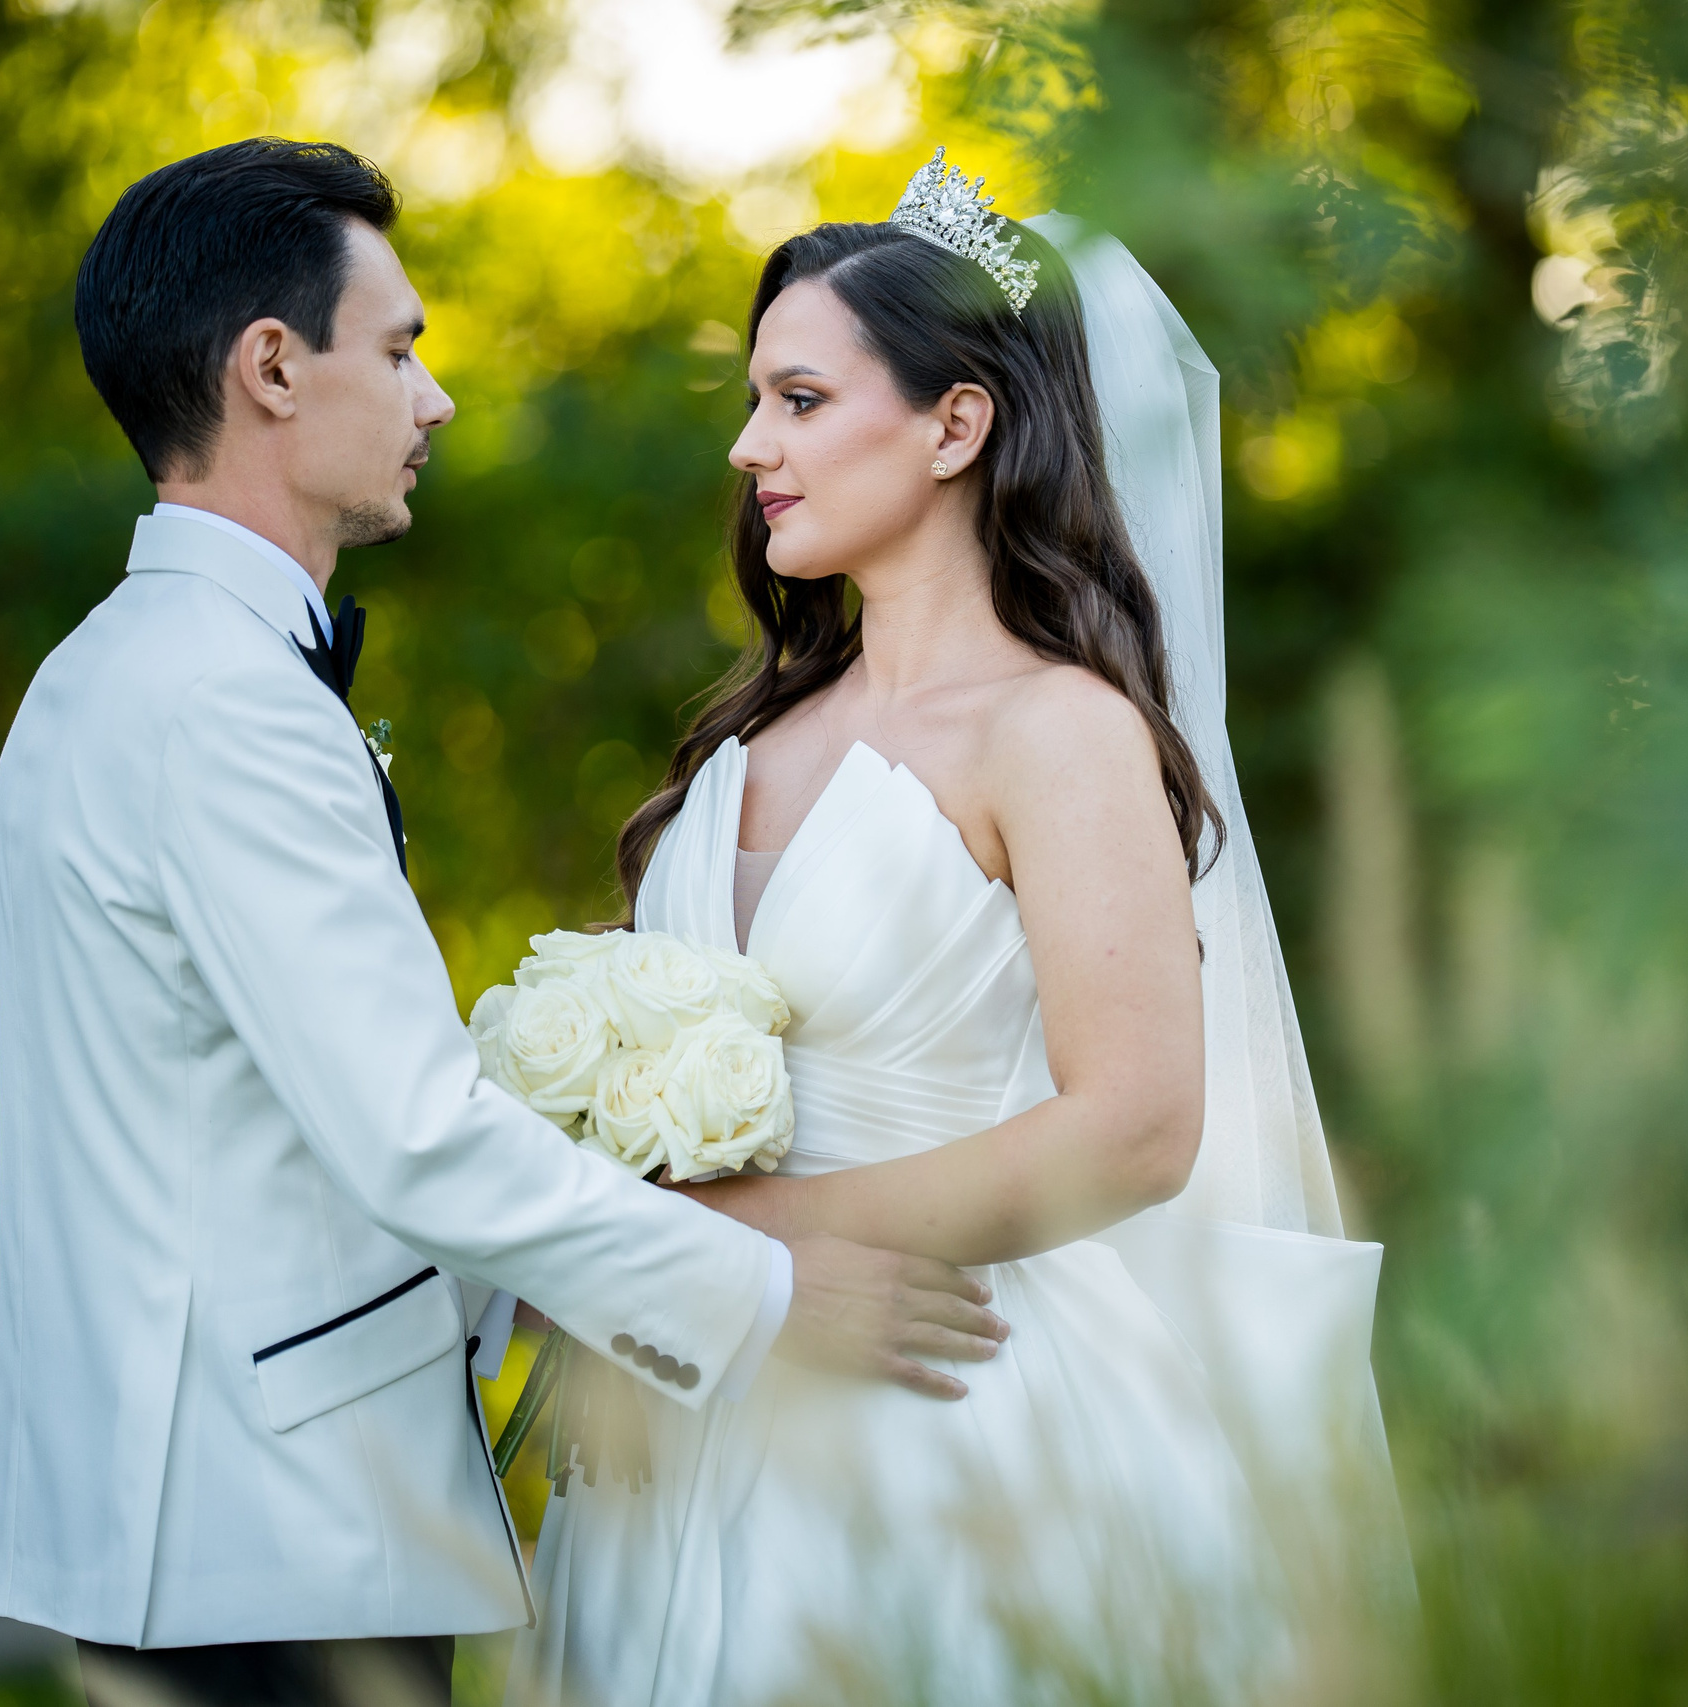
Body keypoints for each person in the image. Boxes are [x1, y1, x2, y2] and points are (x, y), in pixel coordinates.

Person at [0, 136, 1007, 1707]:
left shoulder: (119, 671)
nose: (433, 399)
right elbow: (412, 1136)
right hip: (268, 1539)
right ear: (271, 367)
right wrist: (773, 1295)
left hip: (200, 1523)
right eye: (399, 350)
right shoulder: (223, 704)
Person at [512, 149, 1394, 1707]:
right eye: (755, 400)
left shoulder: (1056, 733)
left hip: (942, 1422)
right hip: (689, 1426)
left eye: (797, 400)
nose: (748, 446)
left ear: (956, 425)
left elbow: (1134, 1129)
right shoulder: (742, 744)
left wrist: (738, 1242)